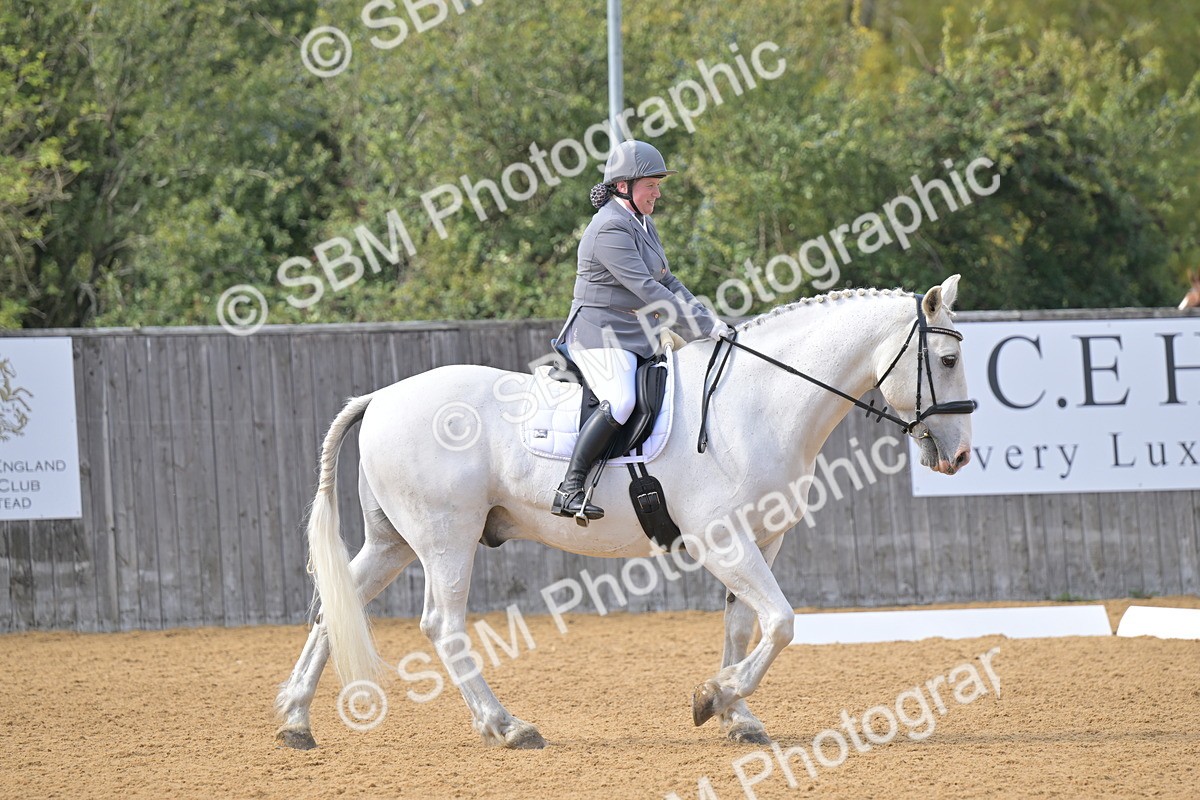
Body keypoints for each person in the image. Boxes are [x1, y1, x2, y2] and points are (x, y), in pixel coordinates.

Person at [551, 140, 731, 520]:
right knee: (620, 399)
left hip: (635, 335)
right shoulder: (608, 229)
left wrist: (709, 321)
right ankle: (569, 486)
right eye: (651, 184)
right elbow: (648, 291)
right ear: (624, 186)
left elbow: (668, 280)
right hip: (599, 334)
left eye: (658, 185)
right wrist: (698, 325)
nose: (658, 192)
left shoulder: (642, 223)